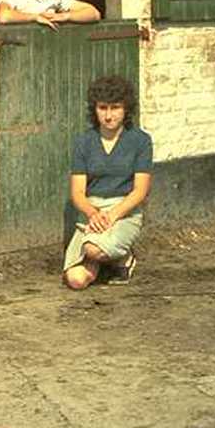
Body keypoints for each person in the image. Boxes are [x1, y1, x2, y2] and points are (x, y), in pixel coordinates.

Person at [63, 75, 153, 288]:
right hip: (92, 213)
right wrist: (93, 214)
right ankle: (106, 261)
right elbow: (77, 192)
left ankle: (123, 258)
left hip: (123, 211)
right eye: (103, 108)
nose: (109, 116)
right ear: (95, 109)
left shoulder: (140, 141)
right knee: (76, 280)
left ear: (125, 109)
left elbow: (140, 191)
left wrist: (112, 216)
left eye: (115, 108)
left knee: (93, 248)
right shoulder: (83, 142)